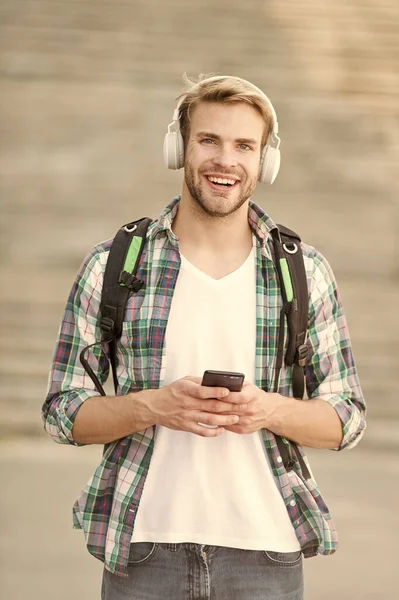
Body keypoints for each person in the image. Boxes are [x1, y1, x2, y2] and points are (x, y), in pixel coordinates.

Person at [42, 74, 366, 600]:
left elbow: (346, 418)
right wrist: (152, 406)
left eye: (244, 145)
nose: (226, 160)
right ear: (179, 148)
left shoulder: (304, 272)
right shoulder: (114, 265)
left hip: (267, 553)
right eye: (209, 140)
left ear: (265, 160)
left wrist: (268, 411)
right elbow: (63, 412)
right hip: (144, 552)